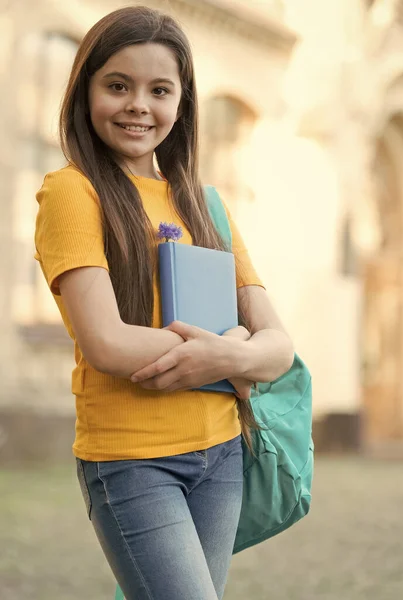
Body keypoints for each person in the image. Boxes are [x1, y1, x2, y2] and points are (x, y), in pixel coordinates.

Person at [34, 6, 294, 600]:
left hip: (221, 456)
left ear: (183, 103)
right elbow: (106, 342)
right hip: (132, 461)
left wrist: (234, 356)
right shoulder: (73, 192)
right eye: (117, 85)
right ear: (86, 91)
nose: (138, 105)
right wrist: (229, 356)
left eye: (159, 89)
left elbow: (278, 346)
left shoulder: (206, 205)